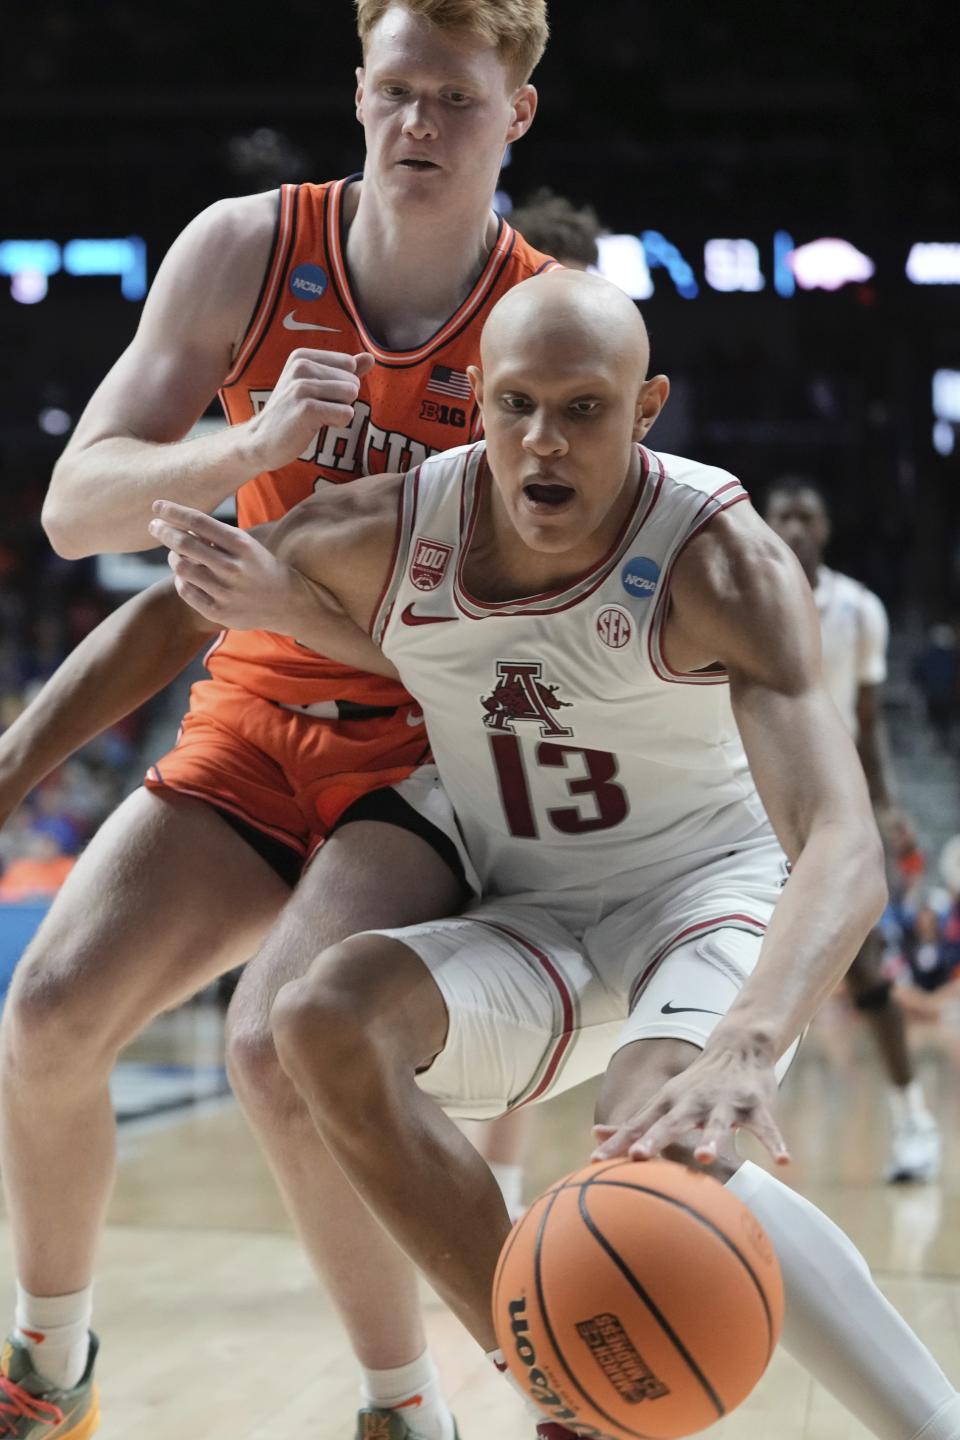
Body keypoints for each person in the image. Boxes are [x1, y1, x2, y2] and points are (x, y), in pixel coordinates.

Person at [154, 270, 960, 1440]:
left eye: (584, 408)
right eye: (518, 404)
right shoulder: (404, 521)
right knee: (321, 1019)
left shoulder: (719, 557)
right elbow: (183, 598)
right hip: (532, 908)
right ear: (476, 400)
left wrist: (748, 1041)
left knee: (661, 1123)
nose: (545, 438)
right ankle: (563, 1387)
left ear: (647, 409)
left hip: (703, 891)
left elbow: (839, 839)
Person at [0, 5, 556, 1438]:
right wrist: (249, 447)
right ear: (357, 92)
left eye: (454, 98)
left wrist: (291, 598)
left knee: (274, 1049)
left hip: (433, 750)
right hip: (254, 717)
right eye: (395, 91)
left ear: (519, 117)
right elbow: (76, 511)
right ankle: (46, 1376)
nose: (417, 124)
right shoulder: (247, 249)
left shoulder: (544, 322)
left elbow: (526, 648)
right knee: (49, 1017)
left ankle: (401, 1410)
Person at [471, 188, 601, 1220]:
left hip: (551, 716)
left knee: (528, 946)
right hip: (427, 699)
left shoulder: (601, 458)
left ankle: (503, 1190)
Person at [764, 478, 942, 1182]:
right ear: (766, 523)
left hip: (831, 807)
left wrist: (889, 807)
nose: (797, 527)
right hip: (748, 807)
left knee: (866, 974)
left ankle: (913, 1123)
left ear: (826, 527)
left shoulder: (860, 610)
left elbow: (869, 726)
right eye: (785, 516)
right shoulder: (733, 591)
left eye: (809, 515)